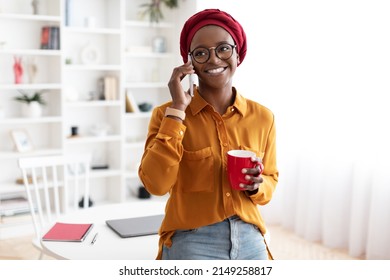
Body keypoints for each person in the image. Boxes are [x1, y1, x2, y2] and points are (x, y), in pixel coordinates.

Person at [138, 8, 278, 260]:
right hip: (192, 237)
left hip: (249, 233)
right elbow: (155, 185)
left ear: (238, 53)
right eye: (201, 53)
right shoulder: (166, 115)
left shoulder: (262, 117)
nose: (214, 60)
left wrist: (258, 185)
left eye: (223, 48)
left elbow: (270, 181)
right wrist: (178, 109)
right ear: (189, 63)